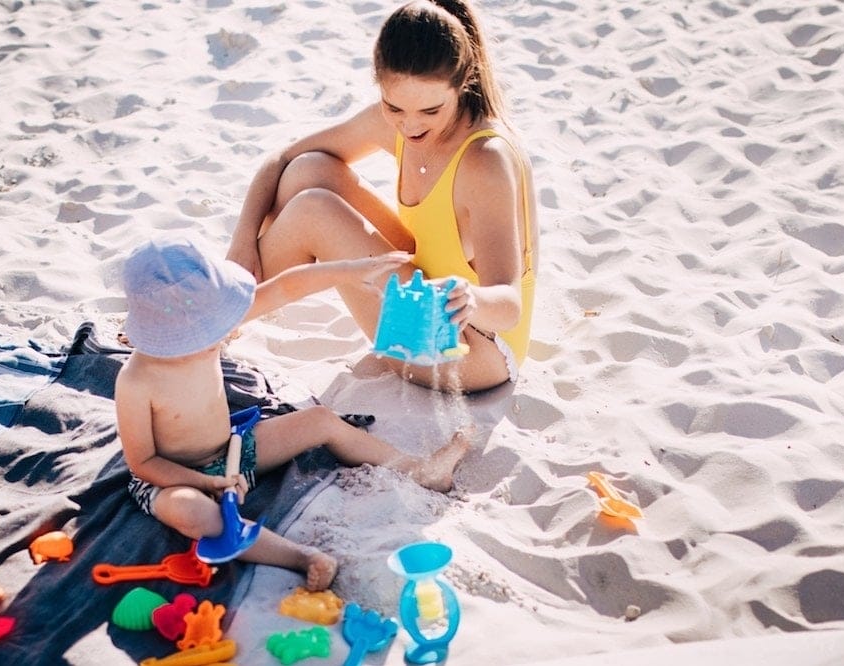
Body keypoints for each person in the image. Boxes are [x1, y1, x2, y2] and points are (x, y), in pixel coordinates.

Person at [115, 236, 471, 591]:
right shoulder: (136, 381)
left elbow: (286, 288)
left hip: (232, 452)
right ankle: (300, 557)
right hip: (170, 478)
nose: (217, 335)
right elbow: (143, 463)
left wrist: (350, 270)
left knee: (319, 421)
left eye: (215, 323)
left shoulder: (210, 329)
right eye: (203, 331)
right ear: (161, 334)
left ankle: (423, 471)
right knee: (195, 514)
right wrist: (208, 483)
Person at [227, 0, 538, 393]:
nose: (410, 125)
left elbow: (509, 305)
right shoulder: (393, 121)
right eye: (395, 107)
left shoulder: (484, 161)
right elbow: (282, 158)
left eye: (430, 110)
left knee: (313, 212)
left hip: (473, 346)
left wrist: (471, 298)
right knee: (309, 170)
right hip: (420, 287)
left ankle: (211, 321)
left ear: (464, 83)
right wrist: (242, 240)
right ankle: (230, 301)